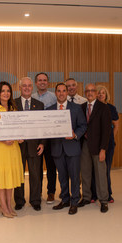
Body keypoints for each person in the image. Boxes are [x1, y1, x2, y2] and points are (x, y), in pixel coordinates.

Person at [47, 83, 87, 215]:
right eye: (59, 91)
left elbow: (83, 126)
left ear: (67, 92)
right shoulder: (49, 110)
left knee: (75, 176)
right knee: (62, 177)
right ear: (55, 93)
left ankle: (74, 201)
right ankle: (65, 199)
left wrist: (75, 134)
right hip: (57, 149)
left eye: (64, 91)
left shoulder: (76, 108)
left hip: (72, 148)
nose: (62, 93)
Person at [0, 81, 24, 218]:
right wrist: (3, 140)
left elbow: (18, 128)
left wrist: (20, 137)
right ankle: (3, 207)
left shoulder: (14, 109)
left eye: (8, 91)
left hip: (13, 149)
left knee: (10, 179)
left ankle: (9, 205)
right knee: (1, 181)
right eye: (3, 91)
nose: (6, 93)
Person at [78, 83, 112, 213]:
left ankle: (103, 200)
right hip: (85, 144)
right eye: (87, 91)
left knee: (100, 173)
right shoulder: (81, 107)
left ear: (96, 93)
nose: (90, 93)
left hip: (98, 146)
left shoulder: (103, 108)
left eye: (92, 90)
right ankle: (86, 197)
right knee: (85, 172)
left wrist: (103, 149)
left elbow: (106, 130)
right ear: (85, 93)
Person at [14, 77, 45, 211]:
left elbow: (43, 126)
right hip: (17, 146)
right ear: (19, 88)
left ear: (32, 88)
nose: (27, 88)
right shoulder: (12, 104)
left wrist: (43, 143)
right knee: (18, 174)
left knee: (35, 175)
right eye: (24, 86)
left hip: (35, 146)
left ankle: (35, 200)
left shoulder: (39, 105)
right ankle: (19, 200)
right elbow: (10, 125)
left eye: (29, 86)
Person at [32, 72, 58, 204]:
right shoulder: (31, 97)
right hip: (36, 138)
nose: (42, 82)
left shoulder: (54, 97)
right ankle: (37, 193)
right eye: (39, 80)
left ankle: (51, 192)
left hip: (50, 137)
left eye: (45, 80)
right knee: (36, 168)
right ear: (36, 83)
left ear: (48, 82)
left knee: (51, 167)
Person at [97, 85, 119, 203]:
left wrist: (109, 139)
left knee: (106, 169)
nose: (101, 95)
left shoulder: (111, 108)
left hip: (108, 144)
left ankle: (108, 194)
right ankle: (95, 194)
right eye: (99, 93)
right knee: (95, 170)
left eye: (103, 93)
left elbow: (116, 125)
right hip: (95, 144)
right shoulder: (93, 107)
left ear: (106, 95)